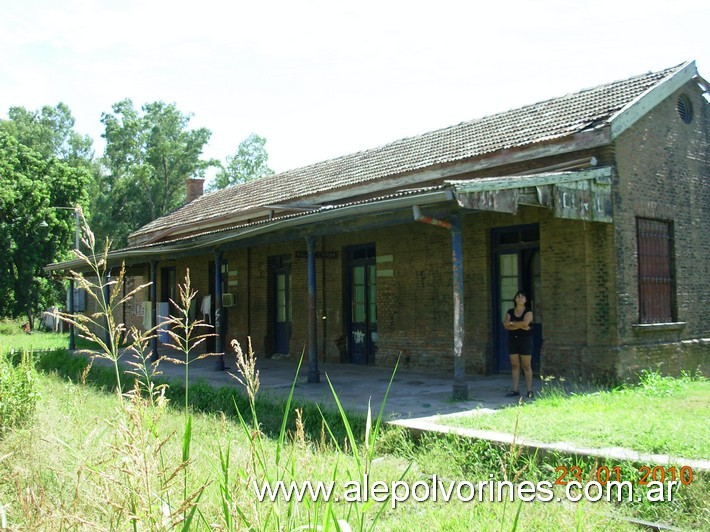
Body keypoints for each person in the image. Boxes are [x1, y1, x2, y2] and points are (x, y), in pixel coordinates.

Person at [503, 291, 534, 398]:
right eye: (518, 297)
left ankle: (529, 390)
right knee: (515, 365)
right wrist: (519, 325)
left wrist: (512, 323)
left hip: (525, 339)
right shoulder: (510, 311)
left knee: (526, 365)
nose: (520, 298)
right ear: (515, 299)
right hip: (513, 339)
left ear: (525, 300)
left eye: (522, 297)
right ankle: (515, 389)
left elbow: (526, 323)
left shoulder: (528, 311)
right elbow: (506, 325)